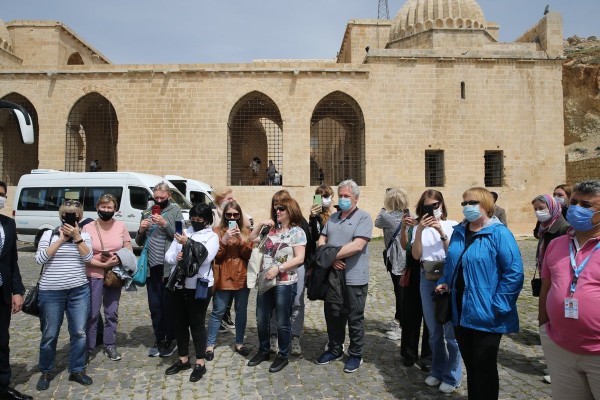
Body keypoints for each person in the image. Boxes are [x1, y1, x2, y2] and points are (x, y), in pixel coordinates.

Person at [437, 187, 523, 400]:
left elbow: (514, 272)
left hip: (488, 312)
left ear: (485, 205)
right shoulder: (459, 232)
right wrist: (444, 282)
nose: (466, 207)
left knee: (484, 367)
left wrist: (499, 306)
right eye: (464, 203)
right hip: (460, 309)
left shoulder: (499, 233)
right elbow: (450, 263)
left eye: (471, 203)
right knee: (471, 365)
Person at [538, 180, 600, 399]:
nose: (577, 209)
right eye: (574, 202)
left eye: (586, 205)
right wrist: (543, 327)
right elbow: (546, 286)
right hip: (560, 347)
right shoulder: (557, 244)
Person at [35, 199, 94, 391]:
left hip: (78, 291)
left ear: (80, 217)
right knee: (50, 333)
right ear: (61, 216)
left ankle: (76, 369)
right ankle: (46, 370)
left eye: (75, 215)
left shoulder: (84, 235)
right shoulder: (48, 234)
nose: (71, 217)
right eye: (67, 214)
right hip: (51, 292)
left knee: (79, 332)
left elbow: (88, 258)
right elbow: (40, 259)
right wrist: (61, 239)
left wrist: (77, 237)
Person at [315, 179, 373, 374]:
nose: (343, 199)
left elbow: (357, 245)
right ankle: (335, 349)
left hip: (354, 277)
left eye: (347, 196)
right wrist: (330, 260)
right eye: (341, 195)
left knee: (355, 317)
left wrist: (330, 255)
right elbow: (321, 241)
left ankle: (356, 354)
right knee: (333, 315)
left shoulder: (364, 218)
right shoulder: (332, 217)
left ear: (356, 198)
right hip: (333, 276)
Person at [408, 190, 462, 393]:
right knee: (433, 330)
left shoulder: (453, 225)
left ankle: (453, 374)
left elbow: (454, 253)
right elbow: (416, 255)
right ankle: (438, 370)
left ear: (442, 205)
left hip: (447, 277)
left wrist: (441, 231)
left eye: (436, 205)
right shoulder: (417, 229)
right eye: (427, 206)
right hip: (426, 276)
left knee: (450, 331)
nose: (432, 210)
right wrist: (420, 230)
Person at [247, 195, 307, 373]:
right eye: (276, 209)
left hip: (285, 282)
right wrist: (260, 225)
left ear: (290, 211)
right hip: (266, 280)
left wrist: (279, 267)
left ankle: (283, 355)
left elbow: (300, 258)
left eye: (281, 209)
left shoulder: (297, 232)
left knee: (282, 320)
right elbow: (251, 238)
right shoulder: (271, 231)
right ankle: (264, 350)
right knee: (261, 318)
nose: (277, 211)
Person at [163, 203, 219, 382]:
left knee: (196, 322)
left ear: (207, 220)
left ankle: (200, 362)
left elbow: (205, 258)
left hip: (199, 284)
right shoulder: (184, 232)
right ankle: (183, 358)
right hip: (180, 284)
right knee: (179, 322)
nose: (195, 222)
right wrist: (177, 256)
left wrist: (187, 244)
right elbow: (169, 256)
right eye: (193, 219)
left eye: (199, 220)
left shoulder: (212, 236)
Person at [82, 194, 132, 363]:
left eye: (110, 207)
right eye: (103, 207)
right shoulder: (88, 227)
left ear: (115, 209)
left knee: (111, 312)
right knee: (92, 314)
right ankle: (88, 347)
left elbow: (128, 246)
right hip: (93, 274)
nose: (106, 210)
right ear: (97, 208)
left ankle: (109, 344)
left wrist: (120, 258)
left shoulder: (120, 226)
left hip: (114, 274)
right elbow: (83, 253)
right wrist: (101, 264)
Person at [135, 182, 183, 358]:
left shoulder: (175, 211)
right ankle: (159, 338)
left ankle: (171, 339)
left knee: (168, 306)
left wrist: (164, 224)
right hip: (151, 268)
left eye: (162, 197)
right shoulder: (147, 213)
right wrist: (141, 230)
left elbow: (179, 236)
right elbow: (139, 242)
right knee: (155, 306)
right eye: (156, 197)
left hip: (168, 268)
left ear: (169, 195)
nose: (159, 200)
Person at [268, 190, 315, 356]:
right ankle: (274, 334)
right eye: (275, 205)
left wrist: (309, 265)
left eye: (281, 205)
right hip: (275, 269)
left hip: (296, 268)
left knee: (296, 302)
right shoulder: (273, 225)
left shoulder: (299, 224)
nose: (277, 209)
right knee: (275, 303)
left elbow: (309, 247)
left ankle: (295, 336)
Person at [206, 201, 253, 359]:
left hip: (241, 276)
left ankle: (239, 343)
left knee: (241, 312)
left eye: (235, 214)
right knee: (218, 311)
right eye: (229, 214)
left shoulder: (246, 231)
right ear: (224, 216)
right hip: (224, 276)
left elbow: (248, 255)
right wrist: (224, 240)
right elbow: (215, 256)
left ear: (239, 215)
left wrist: (241, 239)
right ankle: (210, 345)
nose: (232, 217)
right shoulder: (217, 231)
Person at [531, 194, 569, 384]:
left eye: (541, 208)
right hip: (548, 280)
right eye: (536, 209)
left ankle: (559, 368)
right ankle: (554, 363)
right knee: (547, 323)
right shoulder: (545, 228)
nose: (539, 212)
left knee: (557, 324)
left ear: (552, 208)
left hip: (558, 282)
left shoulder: (562, 229)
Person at [0, 182, 32, 400]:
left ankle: (2, 387)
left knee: (2, 342)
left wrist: (17, 291)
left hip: (2, 292)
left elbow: (12, 261)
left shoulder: (8, 224)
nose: (0, 198)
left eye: (2, 194)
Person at [399, 207, 432, 371]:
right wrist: (404, 228)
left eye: (435, 205)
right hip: (414, 268)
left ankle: (428, 356)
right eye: (427, 205)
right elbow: (405, 246)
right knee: (411, 313)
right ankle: (409, 353)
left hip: (433, 268)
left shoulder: (444, 224)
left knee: (430, 317)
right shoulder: (414, 224)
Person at [374, 188, 408, 341]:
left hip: (396, 258)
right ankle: (397, 319)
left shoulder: (387, 217)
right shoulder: (408, 216)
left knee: (400, 292)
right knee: (399, 290)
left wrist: (383, 207)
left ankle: (402, 325)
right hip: (404, 257)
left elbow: (377, 222)